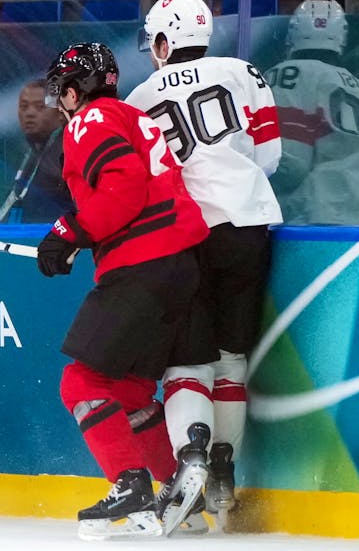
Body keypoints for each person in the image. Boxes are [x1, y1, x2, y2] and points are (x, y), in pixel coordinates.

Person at [36, 42, 215, 540]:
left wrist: (69, 231)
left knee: (81, 384)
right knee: (128, 392)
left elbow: (124, 186)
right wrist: (78, 238)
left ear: (75, 91)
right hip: (181, 266)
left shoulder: (89, 121)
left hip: (143, 265)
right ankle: (179, 496)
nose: (61, 102)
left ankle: (130, 485)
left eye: (62, 91)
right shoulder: (133, 116)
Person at [124, 0, 283, 529]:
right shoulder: (243, 72)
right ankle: (222, 472)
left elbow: (141, 181)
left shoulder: (140, 98)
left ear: (162, 40)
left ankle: (190, 455)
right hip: (246, 223)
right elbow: (269, 155)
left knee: (187, 363)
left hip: (182, 236)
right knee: (231, 358)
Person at [264, 0, 359, 225]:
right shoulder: (357, 85)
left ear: (292, 33)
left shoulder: (285, 75)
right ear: (341, 37)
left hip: (324, 213)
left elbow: (290, 165)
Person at [0, 79, 72, 224]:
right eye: (24, 106)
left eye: (40, 107)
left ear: (60, 113)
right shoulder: (28, 152)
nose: (29, 113)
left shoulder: (68, 152)